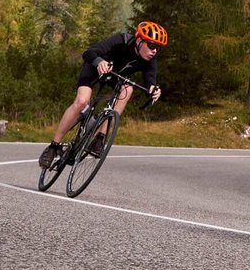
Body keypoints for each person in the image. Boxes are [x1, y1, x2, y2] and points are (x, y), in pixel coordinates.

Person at [39, 21, 166, 168]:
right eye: (152, 46)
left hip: (115, 77)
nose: (155, 51)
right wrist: (99, 61)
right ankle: (53, 147)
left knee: (128, 89)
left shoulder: (150, 60)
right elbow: (89, 52)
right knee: (81, 101)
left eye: (158, 48)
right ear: (139, 41)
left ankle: (100, 138)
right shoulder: (121, 40)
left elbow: (151, 79)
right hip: (95, 68)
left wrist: (154, 90)